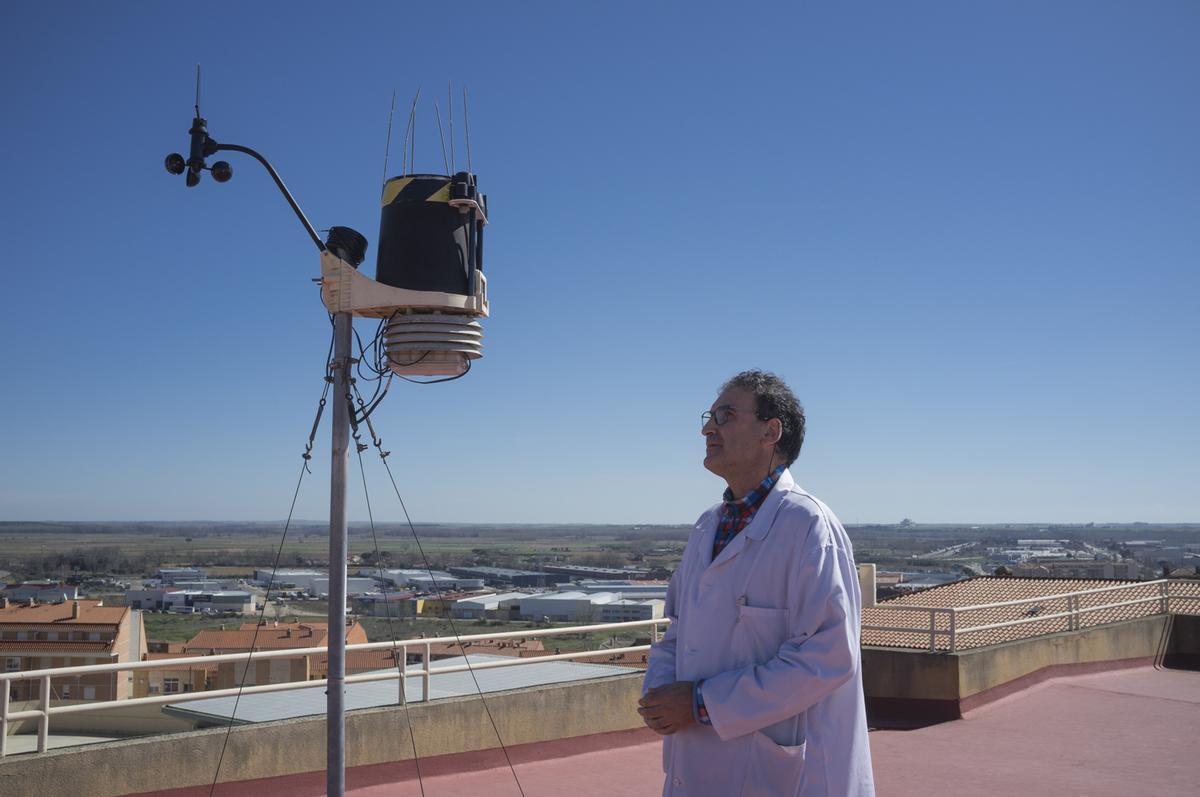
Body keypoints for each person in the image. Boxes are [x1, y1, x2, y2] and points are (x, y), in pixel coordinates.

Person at [639, 370, 875, 796]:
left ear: (771, 431)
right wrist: (659, 693)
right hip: (695, 760)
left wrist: (701, 704)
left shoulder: (807, 525)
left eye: (725, 416)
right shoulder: (707, 526)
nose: (707, 428)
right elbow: (679, 630)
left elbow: (829, 656)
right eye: (709, 416)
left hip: (779, 774)